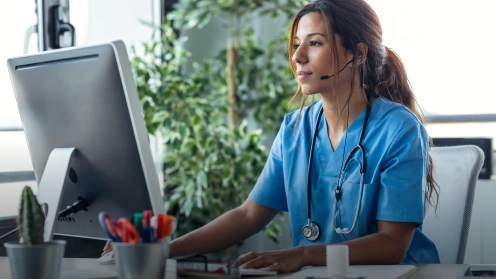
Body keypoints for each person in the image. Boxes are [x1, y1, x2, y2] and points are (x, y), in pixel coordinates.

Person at [103, 0, 441, 272]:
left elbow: (392, 245)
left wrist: (303, 255)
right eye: (296, 45)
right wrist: (162, 250)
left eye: (315, 43)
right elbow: (249, 215)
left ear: (358, 53)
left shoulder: (398, 128)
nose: (297, 57)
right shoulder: (295, 128)